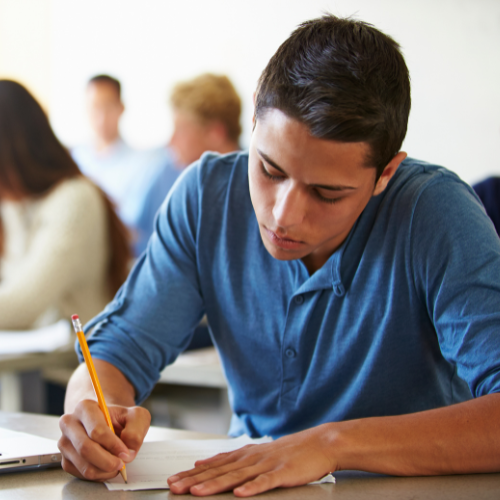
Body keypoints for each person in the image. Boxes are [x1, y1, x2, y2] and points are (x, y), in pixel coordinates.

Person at [58, 15, 500, 497]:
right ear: (253, 117)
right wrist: (89, 413)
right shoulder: (206, 197)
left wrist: (332, 443)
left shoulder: (435, 212)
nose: (284, 215)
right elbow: (118, 350)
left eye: (327, 193)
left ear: (386, 173)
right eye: (269, 169)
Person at [0, 80, 131, 329]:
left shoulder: (75, 201)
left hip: (72, 363)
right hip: (23, 361)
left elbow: (22, 306)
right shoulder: (13, 202)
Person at [135, 73, 242, 255]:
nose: (171, 141)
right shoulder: (167, 173)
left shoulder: (256, 183)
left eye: (181, 129)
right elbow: (139, 238)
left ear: (215, 133)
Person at [71, 75, 163, 256]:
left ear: (121, 108)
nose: (102, 118)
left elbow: (134, 229)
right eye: (95, 108)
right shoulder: (73, 161)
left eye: (108, 107)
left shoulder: (143, 165)